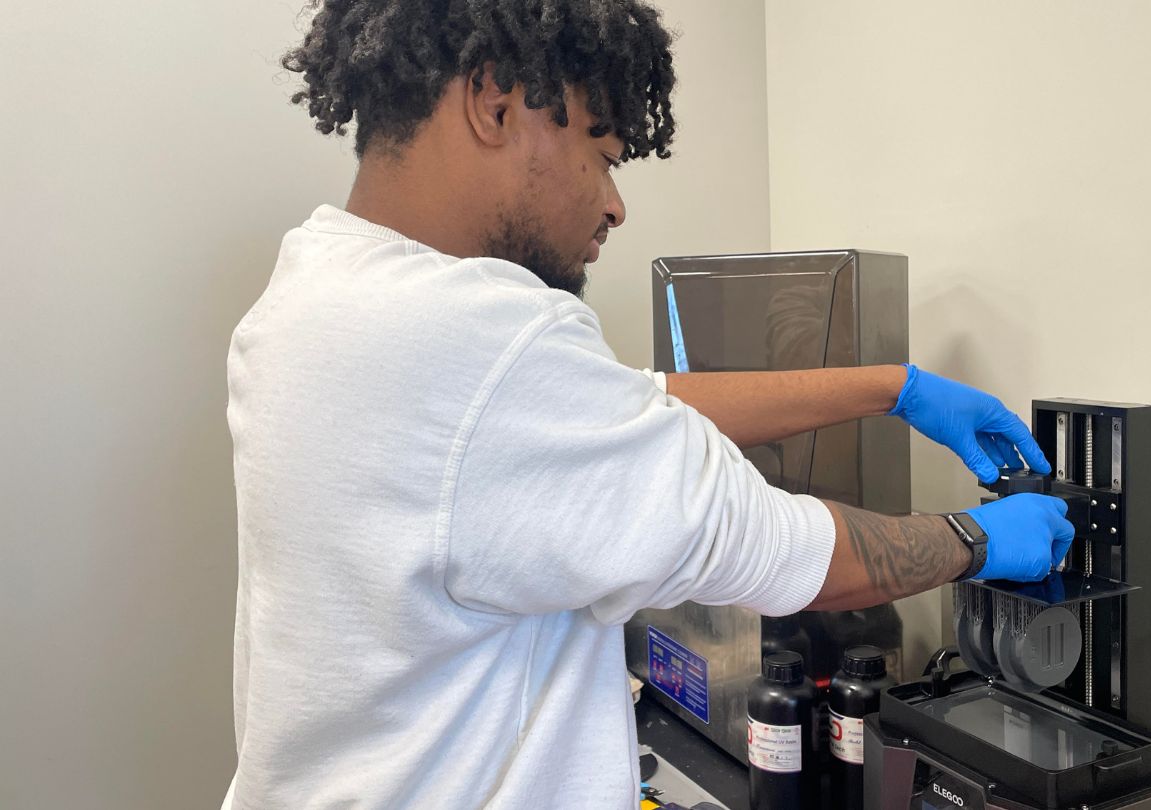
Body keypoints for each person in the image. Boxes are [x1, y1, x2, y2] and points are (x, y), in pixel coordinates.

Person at [223, 1, 1074, 807]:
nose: (614, 204)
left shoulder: (318, 295)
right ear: (492, 101)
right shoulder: (484, 338)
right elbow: (782, 551)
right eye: (603, 156)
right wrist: (980, 540)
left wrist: (892, 389)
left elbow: (629, 403)